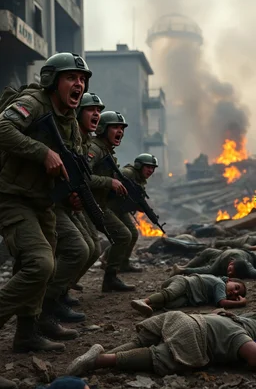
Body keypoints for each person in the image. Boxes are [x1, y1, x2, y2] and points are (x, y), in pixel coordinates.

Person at [0, 52, 91, 352]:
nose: (78, 84)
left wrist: (73, 195)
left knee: (41, 267)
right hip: (12, 196)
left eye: (82, 79)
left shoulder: (71, 123)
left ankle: (27, 333)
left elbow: (68, 169)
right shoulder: (35, 103)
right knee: (40, 263)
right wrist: (42, 152)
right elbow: (2, 128)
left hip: (43, 203)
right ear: (52, 80)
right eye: (71, 78)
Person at [66, 309, 256, 377]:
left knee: (139, 341)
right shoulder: (240, 335)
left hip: (180, 317)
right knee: (159, 356)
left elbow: (217, 311)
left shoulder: (232, 319)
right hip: (192, 333)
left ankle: (97, 353)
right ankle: (100, 361)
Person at [62, 92, 105, 305]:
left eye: (99, 111)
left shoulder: (84, 141)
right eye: (91, 110)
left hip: (68, 202)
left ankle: (59, 294)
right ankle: (51, 301)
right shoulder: (70, 137)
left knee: (91, 248)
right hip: (49, 202)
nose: (96, 114)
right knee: (78, 249)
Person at [87, 111, 136, 292]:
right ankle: (59, 290)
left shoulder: (106, 151)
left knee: (124, 235)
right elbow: (82, 178)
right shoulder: (95, 149)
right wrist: (109, 182)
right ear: (102, 129)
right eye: (115, 127)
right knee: (86, 249)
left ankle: (110, 279)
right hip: (86, 205)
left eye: (122, 128)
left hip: (99, 204)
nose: (120, 131)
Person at [102, 153, 159, 273]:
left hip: (121, 209)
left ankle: (124, 263)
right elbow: (114, 179)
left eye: (152, 168)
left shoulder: (140, 179)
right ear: (139, 165)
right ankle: (108, 261)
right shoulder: (128, 173)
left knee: (133, 233)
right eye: (147, 167)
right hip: (108, 207)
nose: (151, 170)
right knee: (123, 236)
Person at [131, 274, 246, 317]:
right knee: (170, 294)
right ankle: (144, 301)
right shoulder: (220, 284)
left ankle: (150, 306)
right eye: (236, 288)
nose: (235, 292)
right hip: (185, 283)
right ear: (229, 280)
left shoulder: (217, 292)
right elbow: (222, 303)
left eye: (237, 295)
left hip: (188, 297)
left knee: (171, 304)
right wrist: (240, 302)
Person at [166, 247, 256, 280]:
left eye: (232, 275)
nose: (229, 274)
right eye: (230, 270)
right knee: (211, 269)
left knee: (207, 251)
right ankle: (184, 269)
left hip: (224, 252)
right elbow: (253, 272)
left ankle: (184, 268)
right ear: (231, 262)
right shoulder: (246, 263)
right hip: (224, 255)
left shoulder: (239, 264)